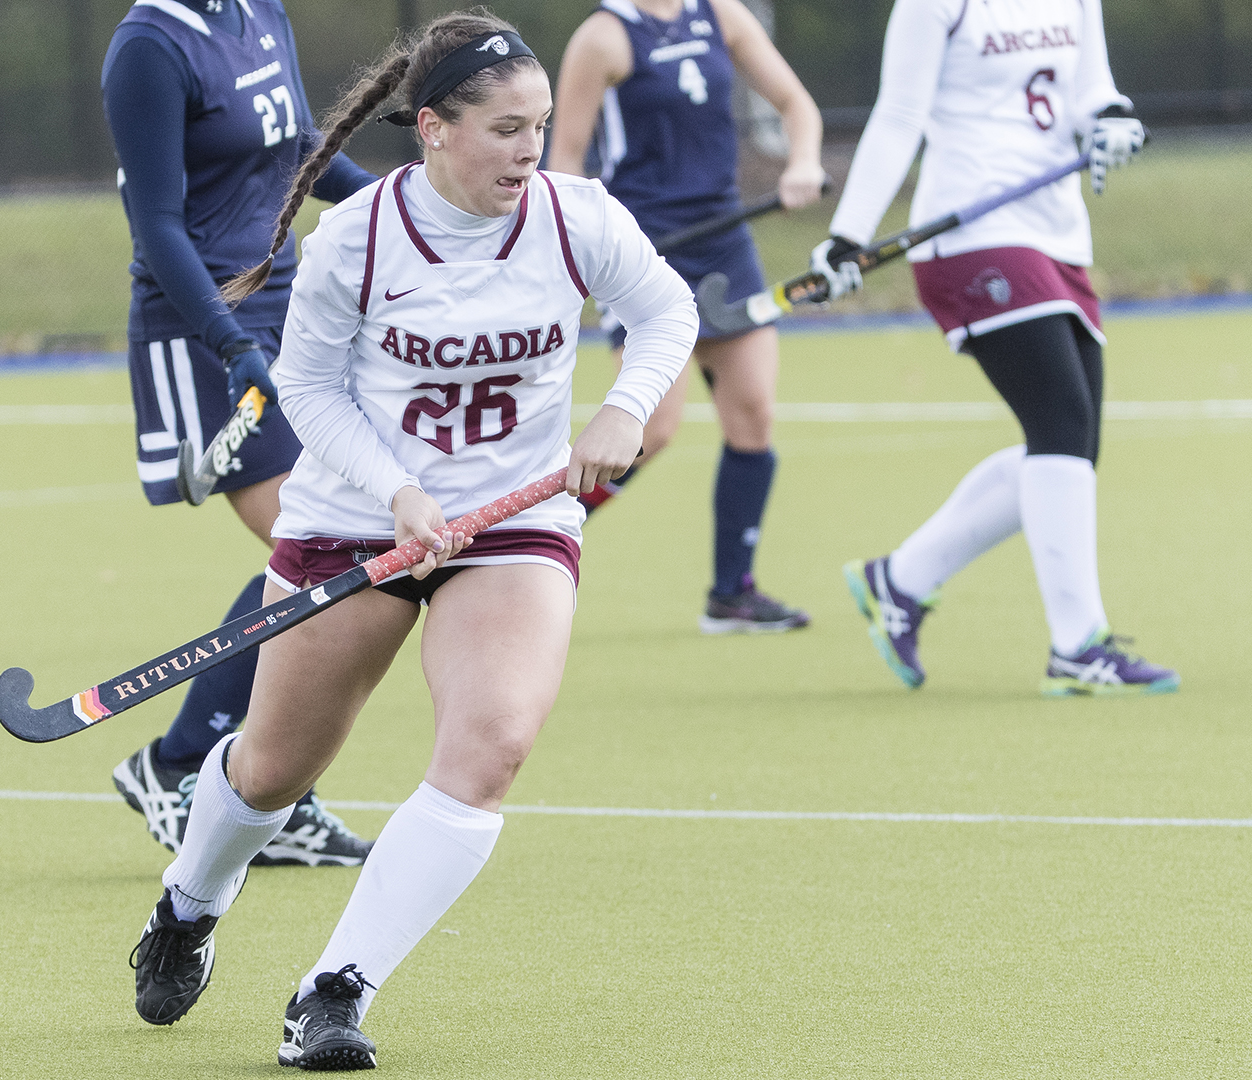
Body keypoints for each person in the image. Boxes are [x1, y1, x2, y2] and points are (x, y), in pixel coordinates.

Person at [124, 12, 696, 1069]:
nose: (530, 151)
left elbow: (664, 314)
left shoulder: (577, 217)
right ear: (432, 128)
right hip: (357, 520)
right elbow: (304, 385)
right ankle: (191, 901)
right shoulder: (359, 236)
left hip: (512, 525)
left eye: (540, 128)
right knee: (269, 770)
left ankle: (333, 991)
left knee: (493, 748)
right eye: (506, 130)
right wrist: (395, 493)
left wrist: (626, 405)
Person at [820, 0, 1177, 695]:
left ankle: (900, 580)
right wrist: (848, 237)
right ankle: (1079, 648)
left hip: (1057, 233)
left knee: (1070, 446)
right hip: (972, 234)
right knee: (1062, 428)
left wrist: (1110, 121)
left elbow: (1090, 92)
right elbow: (898, 118)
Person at [101, 0, 379, 866]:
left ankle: (240, 776)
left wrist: (405, 208)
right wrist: (231, 343)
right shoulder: (149, 49)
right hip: (203, 327)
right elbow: (158, 226)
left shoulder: (261, 12)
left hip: (291, 307)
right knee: (323, 547)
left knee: (336, 554)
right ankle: (186, 764)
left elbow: (300, 152)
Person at [548, 0, 825, 634]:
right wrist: (577, 251)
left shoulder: (720, 14)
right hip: (645, 246)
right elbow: (563, 162)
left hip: (726, 239)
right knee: (655, 428)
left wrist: (803, 162)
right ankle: (527, 538)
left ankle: (732, 594)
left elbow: (796, 104)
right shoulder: (604, 36)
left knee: (752, 415)